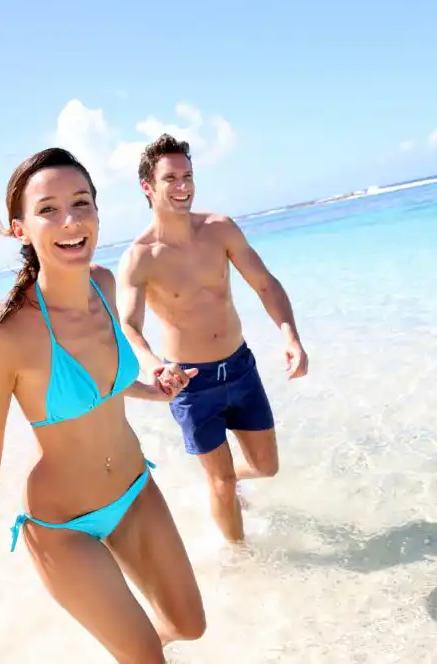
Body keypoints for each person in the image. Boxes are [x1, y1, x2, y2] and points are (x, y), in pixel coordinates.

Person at [0, 147, 207, 663]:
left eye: (80, 203)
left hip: (135, 492)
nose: (70, 221)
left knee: (190, 625)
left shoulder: (104, 284)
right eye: (48, 210)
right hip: (63, 527)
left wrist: (152, 389)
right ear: (21, 229)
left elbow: (100, 387)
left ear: (96, 211)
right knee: (148, 659)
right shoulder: (5, 338)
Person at [117, 133, 308, 545]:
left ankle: (221, 484)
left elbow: (265, 283)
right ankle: (240, 559)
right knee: (221, 481)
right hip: (190, 383)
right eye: (170, 178)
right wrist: (155, 368)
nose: (183, 186)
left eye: (187, 176)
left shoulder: (219, 229)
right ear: (147, 187)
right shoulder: (140, 257)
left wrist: (290, 335)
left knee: (266, 467)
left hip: (240, 367)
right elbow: (128, 326)